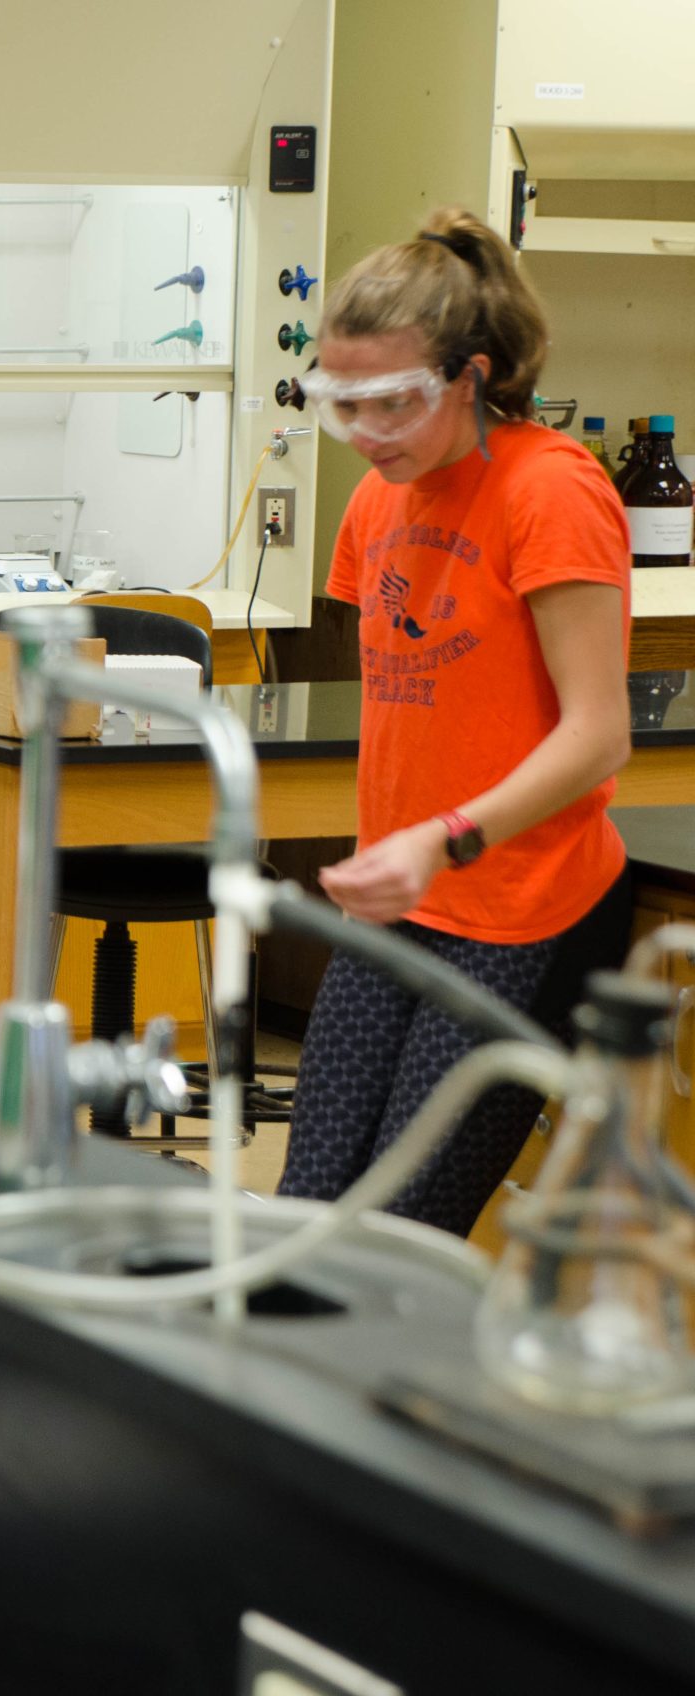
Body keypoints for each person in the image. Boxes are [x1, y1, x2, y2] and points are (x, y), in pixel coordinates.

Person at [276, 207, 635, 1237]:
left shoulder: (548, 490)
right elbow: (422, 701)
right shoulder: (377, 503)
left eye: (395, 403)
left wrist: (446, 836)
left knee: (399, 1234)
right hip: (401, 906)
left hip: (521, 906)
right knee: (305, 1212)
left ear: (471, 377)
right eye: (345, 406)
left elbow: (596, 732)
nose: (369, 434)